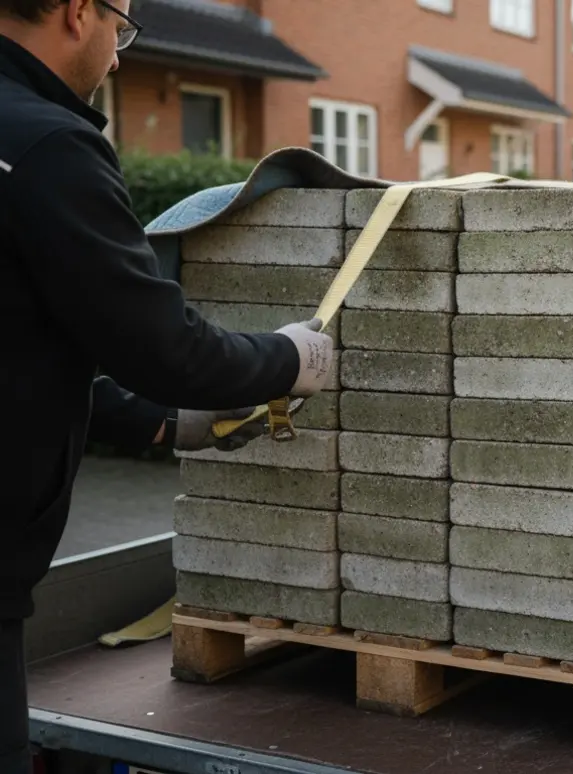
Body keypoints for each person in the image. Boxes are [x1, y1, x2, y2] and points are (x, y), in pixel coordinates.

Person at [0, 1, 334, 771]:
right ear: (79, 11)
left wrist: (152, 422)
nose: (119, 57)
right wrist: (290, 359)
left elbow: (19, 341)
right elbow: (165, 349)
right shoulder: (48, 146)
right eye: (121, 30)